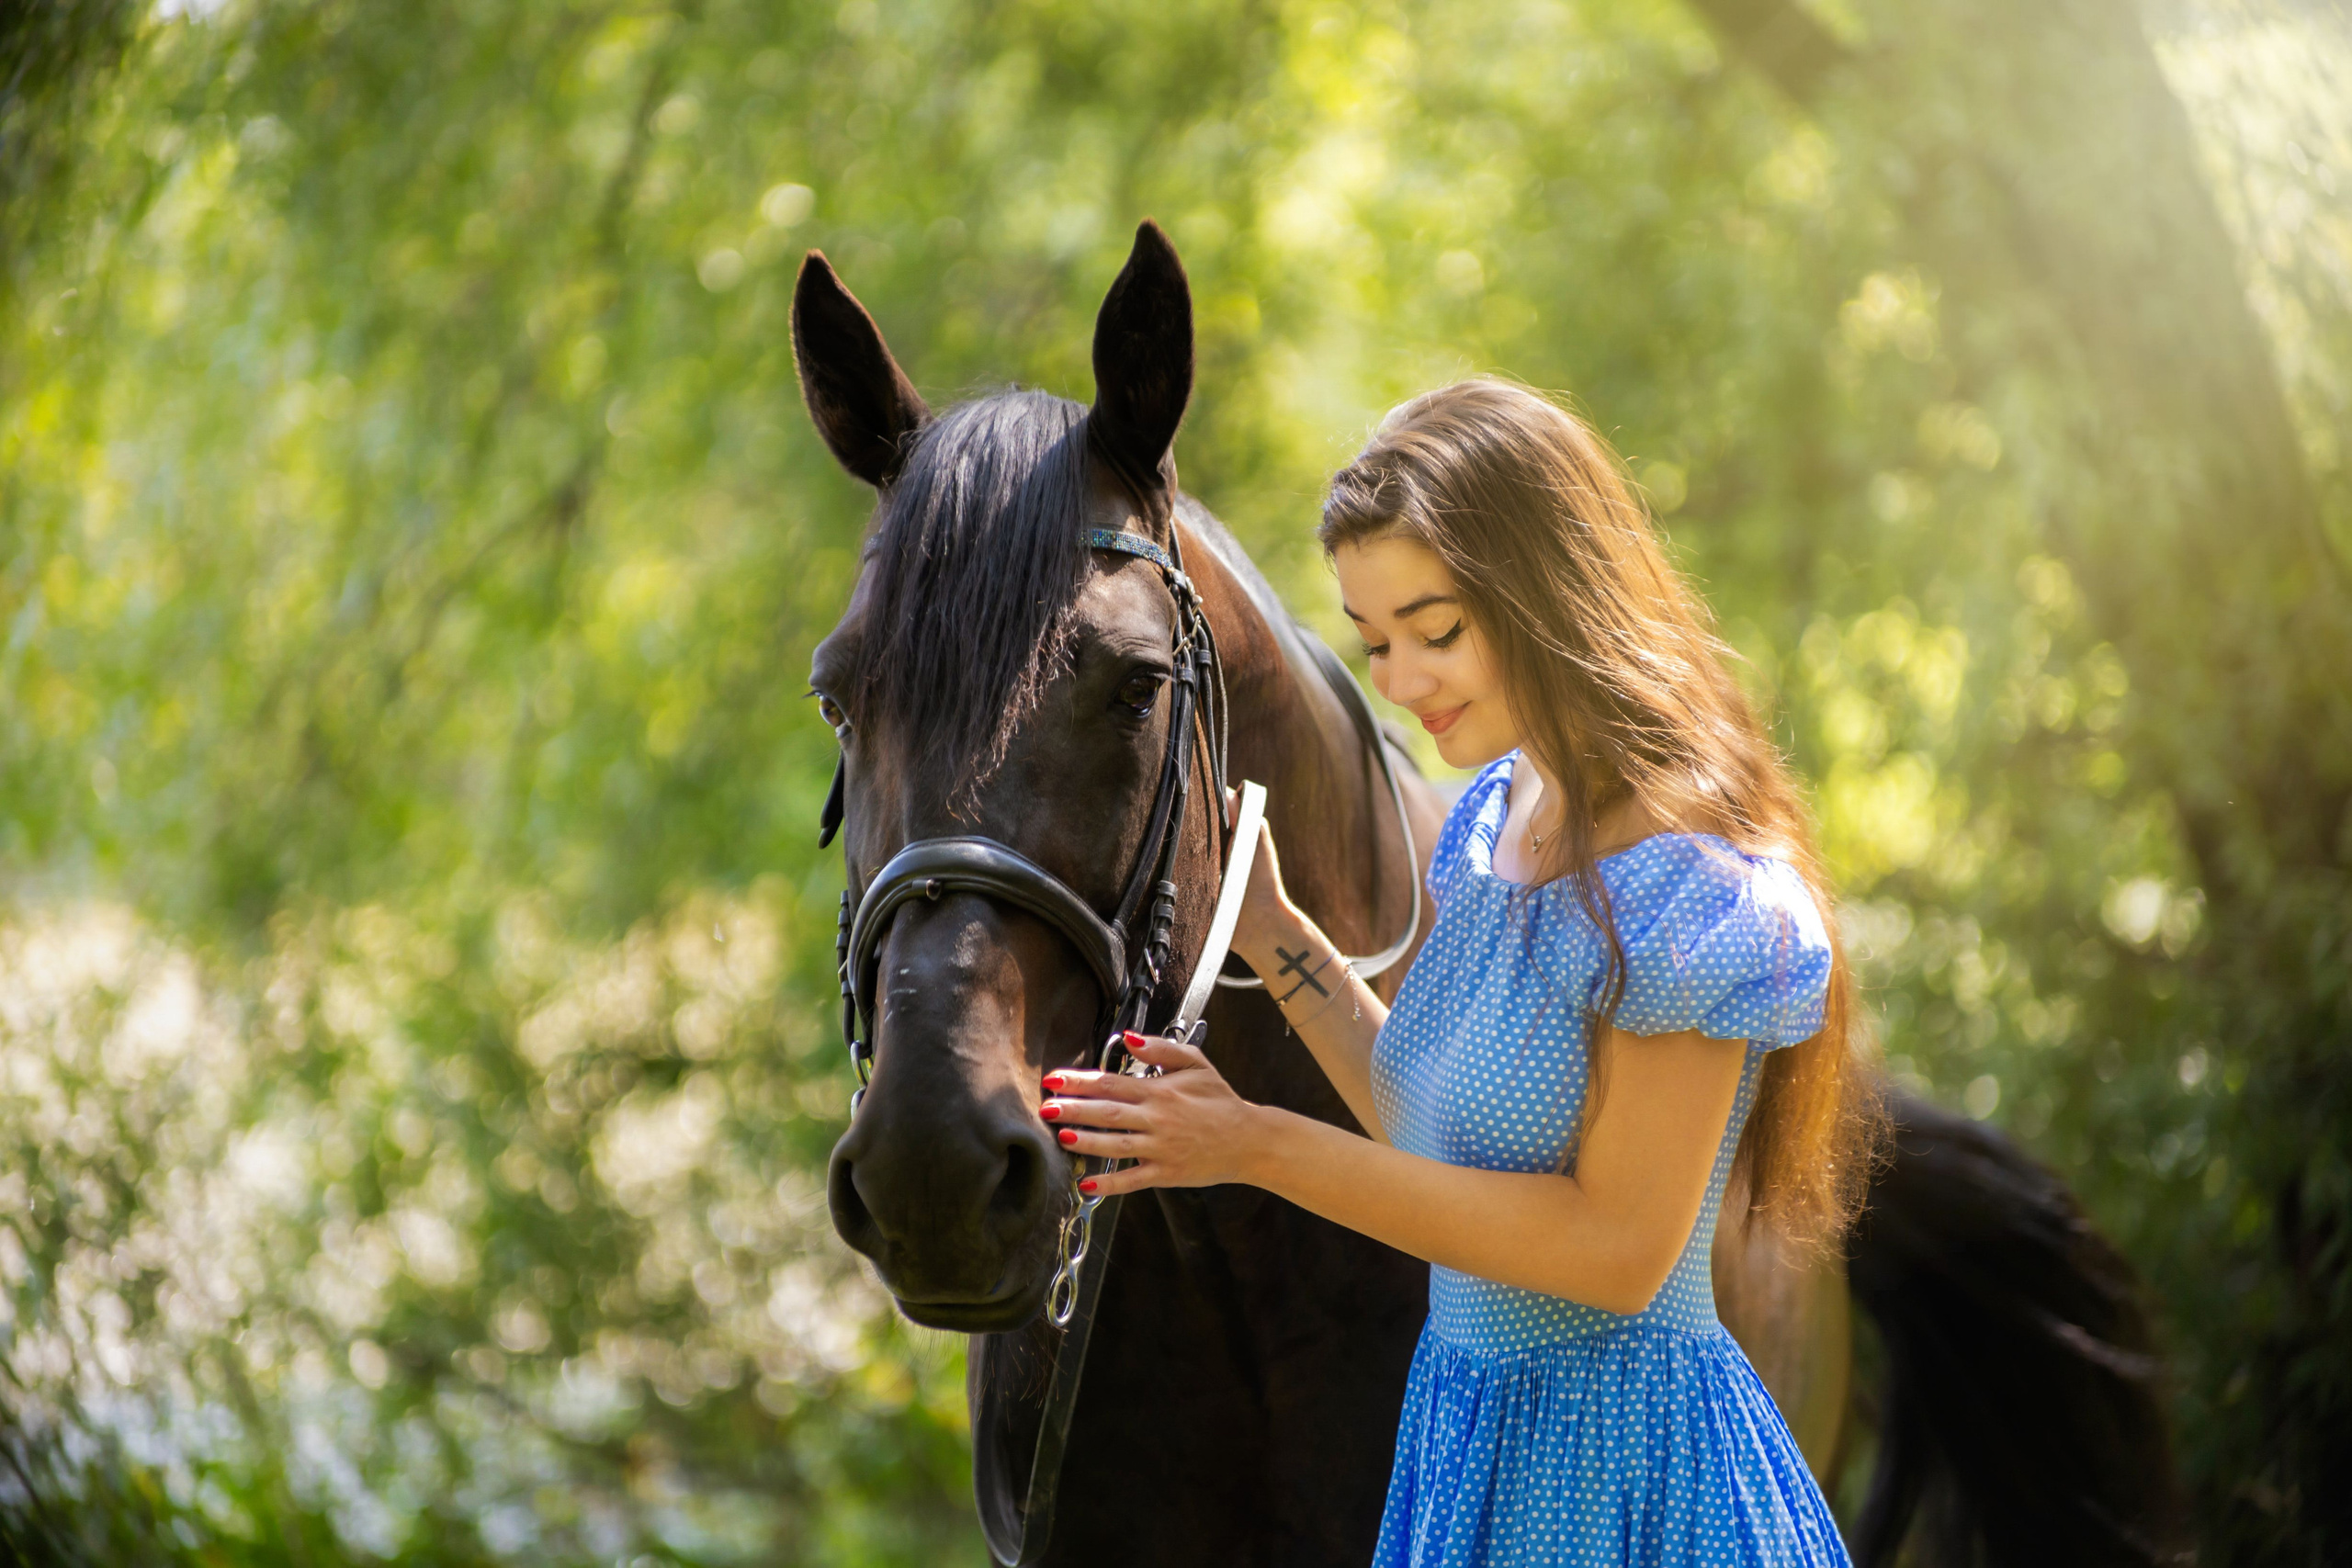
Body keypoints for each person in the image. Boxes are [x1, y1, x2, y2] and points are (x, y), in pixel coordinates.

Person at [1042, 378, 1881, 1566]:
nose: (1398, 681)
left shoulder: (1683, 882)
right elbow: (1435, 1121)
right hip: (1471, 1442)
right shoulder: (1506, 809)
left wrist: (1252, 1145)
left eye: (1436, 632)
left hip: (1618, 1472)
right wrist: (1275, 932)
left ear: (1551, 591)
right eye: (1375, 640)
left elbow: (1617, 1252)